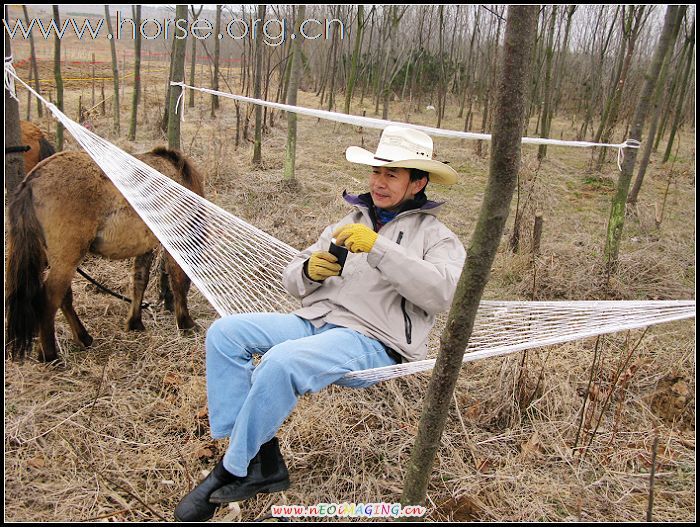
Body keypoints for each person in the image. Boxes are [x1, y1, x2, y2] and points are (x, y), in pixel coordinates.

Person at [174, 125, 466, 522]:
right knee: (225, 333)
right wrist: (310, 270)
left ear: (418, 182)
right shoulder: (346, 223)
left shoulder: (438, 239)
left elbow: (444, 295)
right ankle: (262, 456)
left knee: (280, 362)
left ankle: (231, 469)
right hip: (316, 321)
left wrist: (379, 249)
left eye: (392, 175)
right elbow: (292, 280)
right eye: (376, 172)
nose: (379, 183)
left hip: (372, 342)